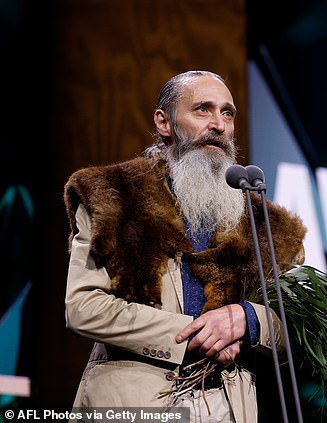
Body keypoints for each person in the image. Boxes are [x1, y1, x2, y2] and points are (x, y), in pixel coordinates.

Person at [63, 70, 307, 422]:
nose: (219, 125)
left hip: (230, 407)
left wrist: (248, 319)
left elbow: (296, 324)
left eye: (227, 113)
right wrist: (192, 334)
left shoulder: (264, 225)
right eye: (203, 110)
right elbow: (84, 307)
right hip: (136, 402)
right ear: (164, 122)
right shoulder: (113, 196)